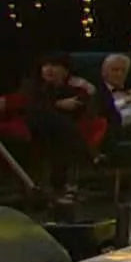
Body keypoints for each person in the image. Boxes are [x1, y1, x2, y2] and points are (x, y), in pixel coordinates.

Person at [10, 54, 95, 199]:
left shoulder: (71, 87)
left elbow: (84, 103)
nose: (49, 69)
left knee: (59, 137)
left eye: (55, 65)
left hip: (53, 133)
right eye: (45, 65)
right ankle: (90, 155)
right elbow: (31, 107)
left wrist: (87, 89)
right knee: (58, 123)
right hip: (31, 124)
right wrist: (57, 105)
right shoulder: (31, 85)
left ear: (65, 71)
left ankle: (58, 187)